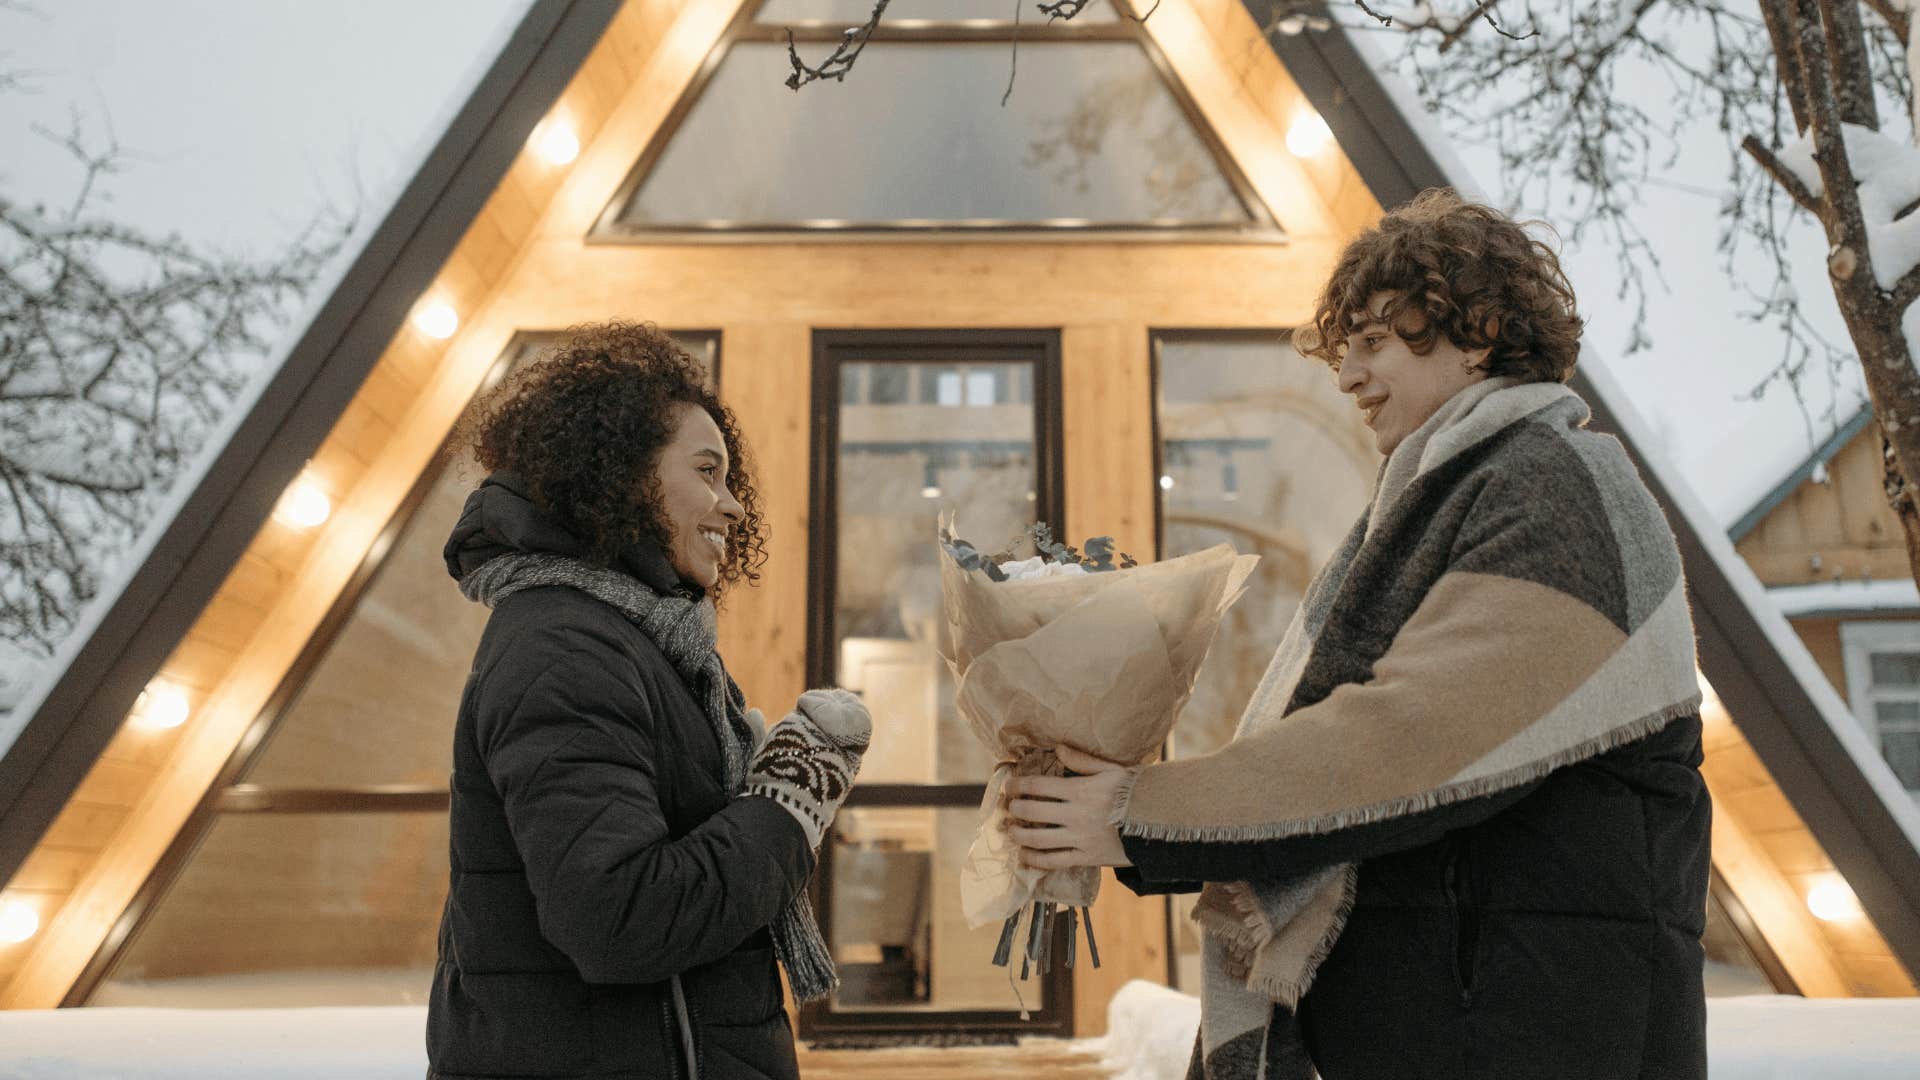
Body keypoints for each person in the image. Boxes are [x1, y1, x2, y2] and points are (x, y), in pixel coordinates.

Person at [1004, 190, 1710, 1080]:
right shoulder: (1444, 495)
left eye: (1376, 339)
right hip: (1472, 1019)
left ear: (1479, 330)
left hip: (1530, 1025)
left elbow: (1416, 737)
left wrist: (1140, 813)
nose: (1347, 376)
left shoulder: (1557, 487)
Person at [426, 321, 870, 1080]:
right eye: (708, 471)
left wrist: (747, 795)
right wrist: (786, 802)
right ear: (621, 476)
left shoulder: (636, 644)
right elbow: (622, 920)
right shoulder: (566, 650)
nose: (732, 506)